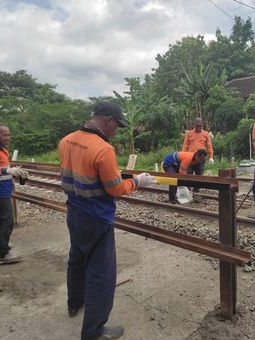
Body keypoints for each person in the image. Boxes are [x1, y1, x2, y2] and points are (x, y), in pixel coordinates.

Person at [58, 101, 155, 340]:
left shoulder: (67, 140)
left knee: (77, 259)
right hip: (97, 218)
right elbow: (115, 189)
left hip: (74, 211)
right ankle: (93, 332)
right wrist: (138, 182)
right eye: (117, 126)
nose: (116, 131)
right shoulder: (103, 149)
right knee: (101, 274)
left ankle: (74, 304)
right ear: (108, 120)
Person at [0, 124, 28, 264]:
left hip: (4, 187)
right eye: (4, 135)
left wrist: (15, 173)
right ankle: (4, 254)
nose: (7, 137)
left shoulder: (2, 149)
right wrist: (7, 171)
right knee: (7, 220)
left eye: (8, 134)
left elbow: (1, 169)